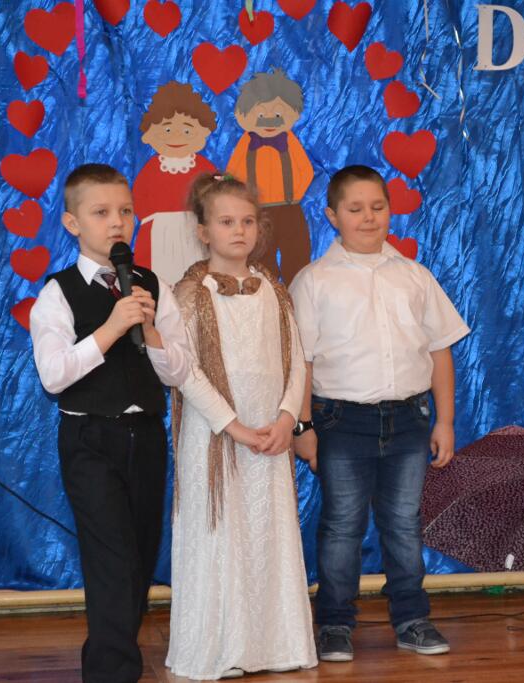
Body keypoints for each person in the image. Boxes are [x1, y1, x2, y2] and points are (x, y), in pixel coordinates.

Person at [289, 165, 470, 662]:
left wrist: (445, 420)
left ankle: (412, 619)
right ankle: (334, 623)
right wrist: (303, 427)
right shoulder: (315, 281)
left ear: (390, 211)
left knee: (404, 524)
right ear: (332, 216)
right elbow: (301, 361)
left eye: (377, 207)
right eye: (355, 209)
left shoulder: (414, 276)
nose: (368, 218)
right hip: (341, 422)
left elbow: (439, 350)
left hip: (409, 421)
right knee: (342, 525)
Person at [29, 163, 191, 683]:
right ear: (73, 223)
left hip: (146, 436)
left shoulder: (151, 285)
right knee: (111, 558)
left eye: (125, 211)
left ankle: (116, 656)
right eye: (101, 213)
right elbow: (54, 375)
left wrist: (152, 331)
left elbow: (180, 371)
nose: (117, 222)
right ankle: (111, 671)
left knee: (139, 555)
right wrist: (111, 328)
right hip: (90, 438)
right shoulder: (57, 293)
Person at [165, 173, 317, 680]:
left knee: (265, 535)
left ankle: (273, 644)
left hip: (269, 437)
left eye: (248, 221)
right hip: (215, 437)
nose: (239, 231)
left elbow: (296, 362)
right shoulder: (188, 296)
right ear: (203, 231)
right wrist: (234, 427)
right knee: (219, 535)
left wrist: (286, 419)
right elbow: (185, 373)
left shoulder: (275, 291)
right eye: (227, 221)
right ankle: (219, 647)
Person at [225, 69, 314, 285]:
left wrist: (295, 195)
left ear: (294, 114)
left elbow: (306, 171)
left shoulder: (289, 141)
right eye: (260, 115)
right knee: (261, 255)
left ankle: (297, 291)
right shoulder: (246, 143)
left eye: (278, 114)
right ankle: (266, 292)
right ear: (242, 116)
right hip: (258, 211)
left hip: (289, 207)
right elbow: (233, 173)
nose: (269, 120)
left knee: (297, 252)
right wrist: (244, 200)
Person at [132, 81, 219, 285]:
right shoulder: (152, 167)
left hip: (194, 230)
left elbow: (215, 194)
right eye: (167, 130)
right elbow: (139, 197)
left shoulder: (203, 166)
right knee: (160, 278)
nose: (177, 136)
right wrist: (151, 220)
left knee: (198, 275)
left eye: (187, 131)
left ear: (203, 132)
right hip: (160, 232)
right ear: (150, 134)